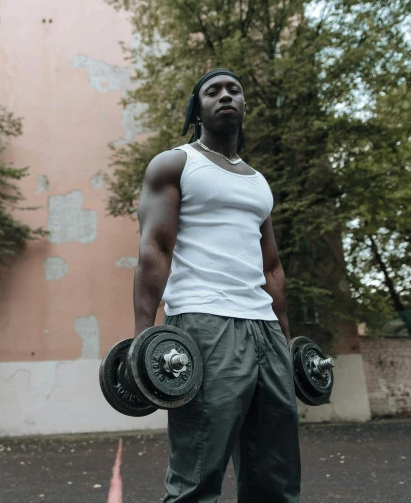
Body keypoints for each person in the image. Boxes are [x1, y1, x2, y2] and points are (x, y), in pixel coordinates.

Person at [133, 68, 301, 503]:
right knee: (198, 476)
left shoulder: (258, 181)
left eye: (234, 90)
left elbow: (273, 268)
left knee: (276, 477)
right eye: (213, 91)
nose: (225, 95)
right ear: (198, 108)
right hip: (205, 323)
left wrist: (286, 341)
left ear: (244, 105)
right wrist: (143, 340)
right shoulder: (175, 163)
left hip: (264, 329)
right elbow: (155, 249)